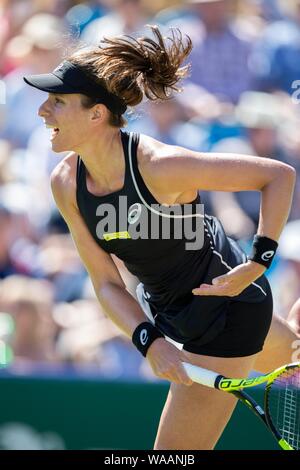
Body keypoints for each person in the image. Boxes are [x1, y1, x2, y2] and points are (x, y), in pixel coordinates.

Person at [23, 25, 297, 450]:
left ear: (97, 114)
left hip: (227, 311)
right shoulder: (65, 183)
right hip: (171, 312)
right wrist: (147, 340)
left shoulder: (160, 165)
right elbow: (106, 282)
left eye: (57, 102)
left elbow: (277, 175)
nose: (43, 111)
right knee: (290, 353)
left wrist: (259, 262)